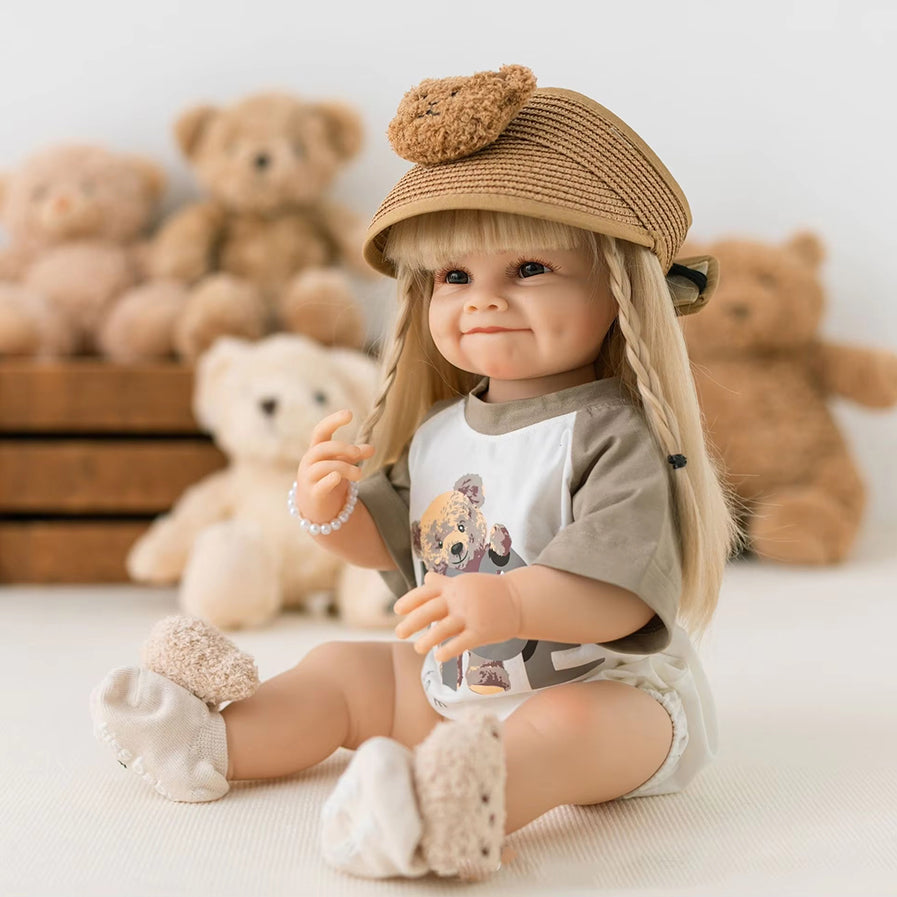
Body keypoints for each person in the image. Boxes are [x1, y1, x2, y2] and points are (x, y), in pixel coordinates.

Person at [90, 65, 740, 882]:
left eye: (528, 269)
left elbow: (621, 597)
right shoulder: (439, 433)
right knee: (342, 667)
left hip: (608, 691)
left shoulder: (611, 436)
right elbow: (394, 542)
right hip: (454, 688)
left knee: (567, 727)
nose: (482, 301)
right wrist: (328, 507)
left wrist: (510, 601)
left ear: (617, 290)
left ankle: (443, 815)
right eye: (455, 276)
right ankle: (208, 740)